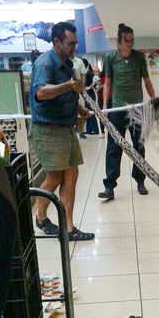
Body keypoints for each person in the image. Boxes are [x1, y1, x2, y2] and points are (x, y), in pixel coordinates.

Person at [29, 22, 95, 241]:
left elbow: (70, 93)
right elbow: (41, 93)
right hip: (49, 129)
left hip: (67, 128)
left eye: (75, 43)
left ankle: (68, 228)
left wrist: (79, 109)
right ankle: (40, 218)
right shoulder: (44, 63)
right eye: (70, 43)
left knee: (71, 175)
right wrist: (68, 86)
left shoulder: (68, 64)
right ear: (56, 41)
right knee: (55, 177)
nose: (74, 47)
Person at [98, 23, 156, 200]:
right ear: (119, 41)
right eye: (127, 41)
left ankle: (140, 180)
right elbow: (107, 83)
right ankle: (109, 187)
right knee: (113, 148)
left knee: (139, 146)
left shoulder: (139, 57)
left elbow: (146, 80)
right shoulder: (110, 58)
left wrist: (154, 100)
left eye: (132, 41)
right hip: (117, 110)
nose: (130, 44)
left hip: (136, 110)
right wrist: (105, 107)